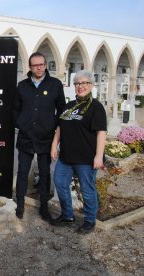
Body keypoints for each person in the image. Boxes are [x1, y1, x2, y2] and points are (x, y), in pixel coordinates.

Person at [50, 70, 107, 234]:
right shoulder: (69, 106)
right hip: (66, 156)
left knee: (87, 190)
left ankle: (90, 220)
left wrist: (98, 156)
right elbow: (60, 127)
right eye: (77, 84)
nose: (80, 86)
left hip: (86, 158)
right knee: (60, 183)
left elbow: (101, 133)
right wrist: (54, 145)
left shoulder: (96, 107)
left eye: (84, 83)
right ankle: (67, 215)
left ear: (91, 85)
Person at [13, 52, 66, 220]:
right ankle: (20, 204)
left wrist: (53, 127)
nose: (39, 67)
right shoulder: (22, 86)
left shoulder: (55, 84)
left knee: (45, 173)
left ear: (45, 65)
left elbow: (62, 109)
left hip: (46, 137)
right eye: (35, 65)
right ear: (30, 67)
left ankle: (44, 207)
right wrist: (21, 123)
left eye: (41, 64)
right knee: (22, 172)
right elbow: (15, 109)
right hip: (26, 137)